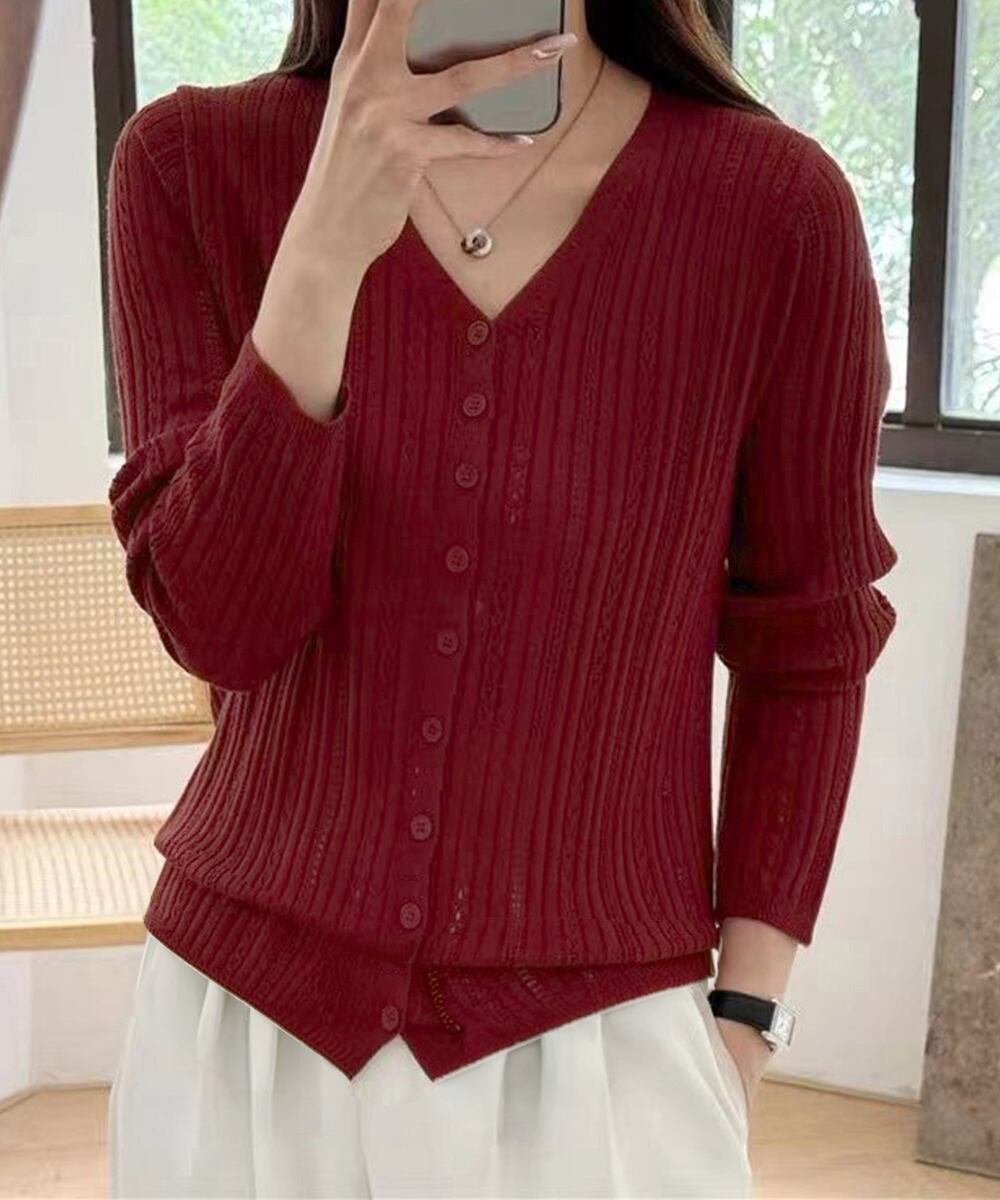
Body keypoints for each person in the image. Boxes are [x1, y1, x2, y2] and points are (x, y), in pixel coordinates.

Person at [104, 0, 898, 1195]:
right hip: (244, 1046)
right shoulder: (187, 166)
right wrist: (321, 249)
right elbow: (221, 626)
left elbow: (809, 643)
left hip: (604, 1051)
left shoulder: (773, 208)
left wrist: (743, 1022)